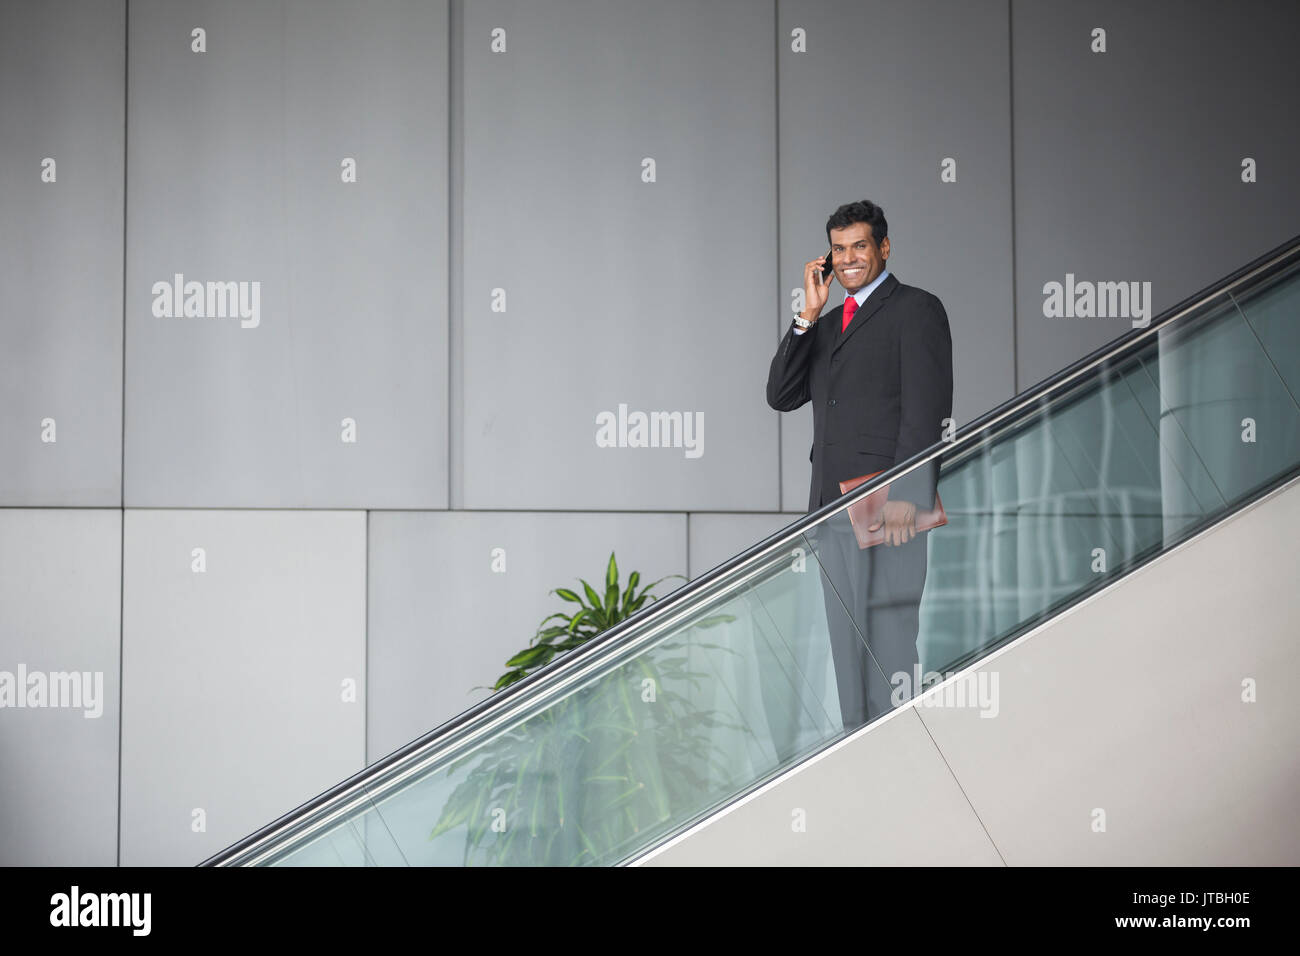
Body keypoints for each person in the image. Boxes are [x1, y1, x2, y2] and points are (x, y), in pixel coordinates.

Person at [766, 199, 953, 731]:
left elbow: (927, 409)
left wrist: (908, 497)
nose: (849, 258)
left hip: (886, 513)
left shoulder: (916, 309)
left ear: (883, 248)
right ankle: (862, 762)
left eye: (860, 246)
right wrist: (807, 313)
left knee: (890, 651)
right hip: (829, 511)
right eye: (839, 249)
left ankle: (904, 766)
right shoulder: (823, 328)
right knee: (847, 655)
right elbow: (780, 395)